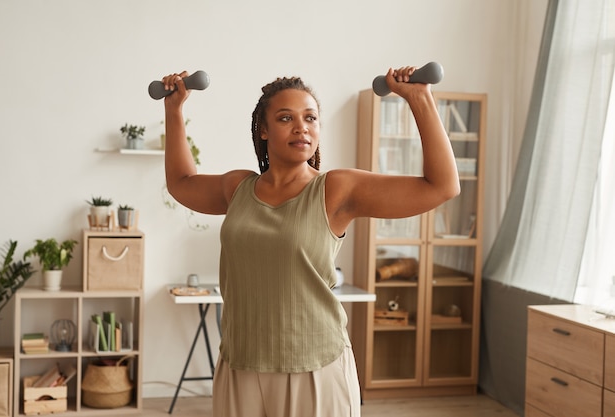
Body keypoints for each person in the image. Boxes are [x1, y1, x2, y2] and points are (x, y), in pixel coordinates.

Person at [160, 66, 460, 417]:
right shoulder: (237, 188)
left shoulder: (335, 190)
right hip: (240, 363)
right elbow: (181, 182)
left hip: (315, 366)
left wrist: (420, 98)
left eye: (311, 118)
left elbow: (442, 186)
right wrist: (174, 110)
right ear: (263, 130)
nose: (302, 126)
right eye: (286, 118)